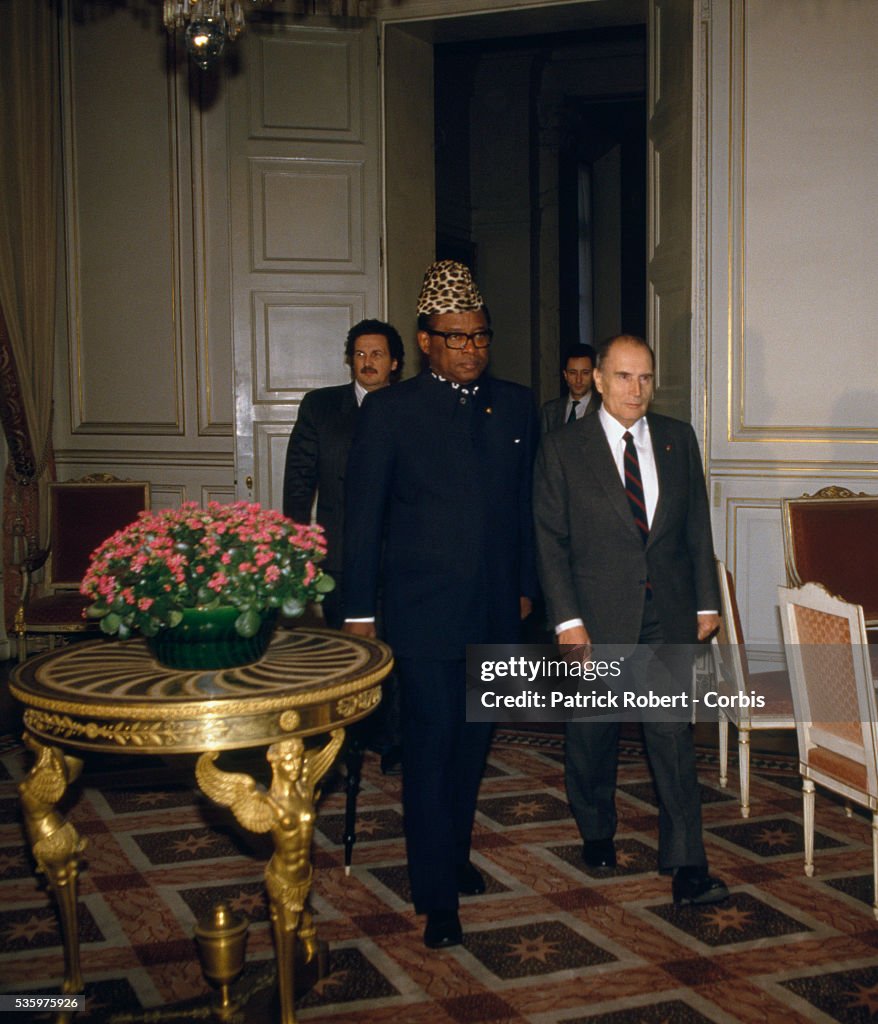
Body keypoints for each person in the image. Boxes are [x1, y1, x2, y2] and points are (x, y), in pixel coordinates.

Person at [342, 259, 538, 949]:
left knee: (472, 747)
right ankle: (435, 898)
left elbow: (525, 510)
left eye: (481, 336)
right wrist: (359, 611)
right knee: (429, 750)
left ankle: (454, 854)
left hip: (494, 614)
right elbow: (361, 519)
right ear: (424, 340)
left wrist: (527, 590)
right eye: (456, 337)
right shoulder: (392, 412)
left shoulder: (515, 405)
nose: (471, 349)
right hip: (422, 614)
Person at [533, 333, 728, 907]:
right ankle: (596, 827)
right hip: (594, 620)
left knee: (671, 738)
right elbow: (550, 541)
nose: (635, 389)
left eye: (645, 377)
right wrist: (566, 620)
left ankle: (687, 862)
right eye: (623, 377)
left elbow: (695, 526)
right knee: (591, 737)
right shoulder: (564, 448)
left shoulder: (676, 438)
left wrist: (705, 602)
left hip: (663, 615)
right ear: (596, 379)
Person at [282, 318, 404, 772]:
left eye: (377, 354)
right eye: (360, 354)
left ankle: (393, 739)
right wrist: (297, 547)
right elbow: (299, 480)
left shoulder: (410, 407)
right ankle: (348, 739)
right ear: (350, 359)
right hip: (338, 552)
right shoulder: (320, 407)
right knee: (345, 655)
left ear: (394, 362)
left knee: (393, 649)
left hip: (398, 554)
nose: (368, 362)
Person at [540, 343, 600, 433]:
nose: (578, 380)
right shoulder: (550, 411)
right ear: (565, 375)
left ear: (594, 375)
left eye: (585, 373)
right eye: (573, 373)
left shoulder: (604, 408)